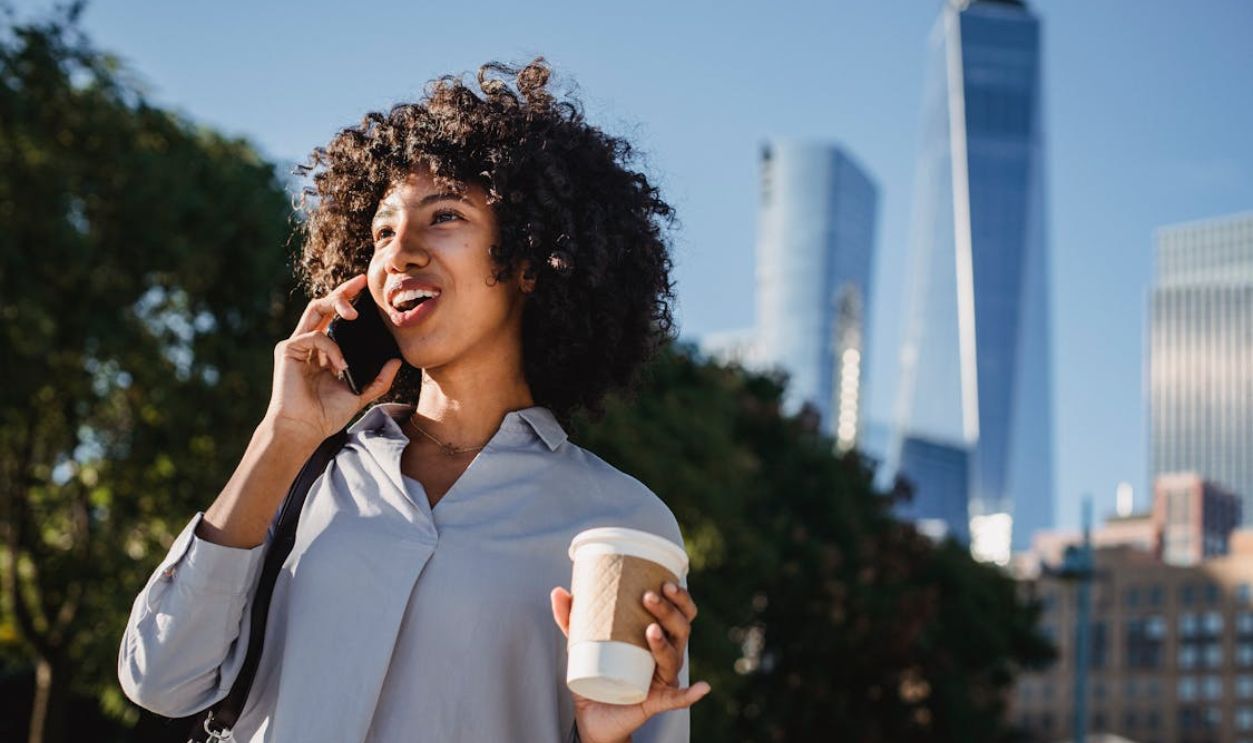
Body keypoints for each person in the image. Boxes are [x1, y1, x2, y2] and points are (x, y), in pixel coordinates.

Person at [118, 59, 708, 743]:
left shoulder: (622, 521)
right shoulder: (303, 472)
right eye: (381, 233)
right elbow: (159, 677)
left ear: (528, 258)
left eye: (445, 216)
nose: (399, 254)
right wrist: (280, 435)